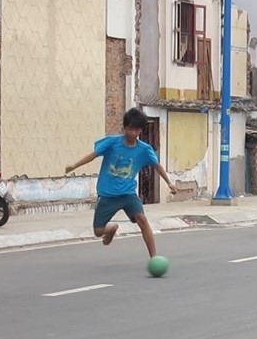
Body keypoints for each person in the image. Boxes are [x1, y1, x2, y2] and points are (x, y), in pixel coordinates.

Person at [65, 107, 177, 258]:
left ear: (140, 131)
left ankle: (154, 257)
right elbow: (93, 155)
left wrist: (169, 183)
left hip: (128, 194)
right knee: (98, 231)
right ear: (124, 127)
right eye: (130, 129)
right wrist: (74, 166)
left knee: (142, 220)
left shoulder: (144, 149)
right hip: (107, 195)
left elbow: (156, 165)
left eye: (137, 130)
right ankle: (111, 229)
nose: (133, 133)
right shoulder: (112, 142)